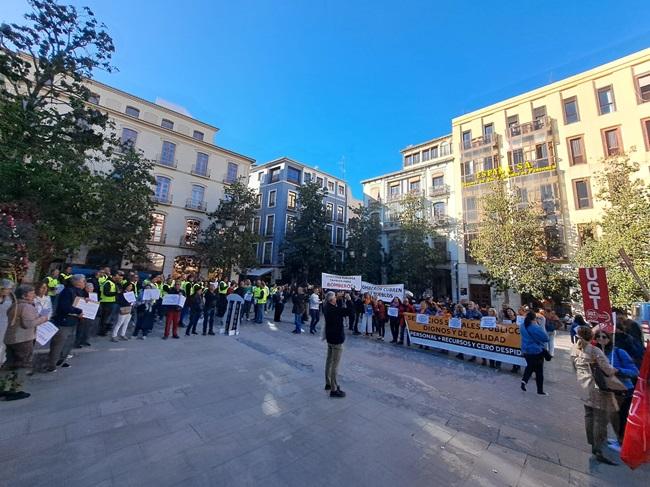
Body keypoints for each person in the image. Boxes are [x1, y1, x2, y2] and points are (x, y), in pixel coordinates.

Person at [571, 326, 620, 465]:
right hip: (597, 387)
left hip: (583, 385)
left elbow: (574, 367)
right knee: (600, 418)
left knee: (589, 415)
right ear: (592, 337)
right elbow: (607, 369)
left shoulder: (575, 349)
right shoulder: (595, 350)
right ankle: (598, 448)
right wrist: (615, 370)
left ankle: (592, 443)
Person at [593, 329, 639, 450]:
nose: (601, 339)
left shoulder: (619, 352)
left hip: (623, 391)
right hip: (607, 390)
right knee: (612, 417)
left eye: (604, 337)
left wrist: (618, 370)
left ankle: (623, 442)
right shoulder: (596, 353)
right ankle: (618, 439)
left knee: (621, 418)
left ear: (610, 338)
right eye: (598, 337)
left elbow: (634, 372)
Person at [2, 285, 49, 401]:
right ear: (24, 295)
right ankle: (15, 390)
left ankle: (3, 387)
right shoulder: (26, 307)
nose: (34, 295)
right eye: (31, 293)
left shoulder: (15, 305)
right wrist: (43, 319)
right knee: (22, 364)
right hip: (23, 339)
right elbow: (28, 324)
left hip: (11, 338)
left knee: (10, 363)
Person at [48, 274, 85, 371]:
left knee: (68, 343)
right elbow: (65, 307)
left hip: (74, 321)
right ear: (76, 282)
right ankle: (51, 365)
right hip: (64, 321)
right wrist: (78, 311)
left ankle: (61, 361)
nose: (84, 283)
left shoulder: (79, 292)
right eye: (82, 281)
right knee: (59, 343)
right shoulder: (68, 291)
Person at [323, 291, 347, 398]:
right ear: (332, 299)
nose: (336, 298)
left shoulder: (326, 307)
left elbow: (339, 309)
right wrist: (349, 300)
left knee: (329, 361)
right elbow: (350, 312)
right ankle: (334, 389)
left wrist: (340, 299)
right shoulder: (334, 310)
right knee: (335, 365)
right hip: (337, 340)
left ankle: (328, 383)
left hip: (330, 338)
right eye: (335, 297)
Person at [519, 311, 549, 395]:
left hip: (526, 350)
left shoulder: (522, 326)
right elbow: (546, 338)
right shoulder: (535, 327)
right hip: (536, 351)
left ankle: (524, 381)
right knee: (539, 371)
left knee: (530, 366)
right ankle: (540, 390)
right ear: (534, 319)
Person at [74, 281, 94, 348]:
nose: (92, 289)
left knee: (87, 328)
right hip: (83, 313)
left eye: (92, 288)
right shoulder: (83, 293)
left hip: (90, 314)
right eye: (90, 288)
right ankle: (78, 342)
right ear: (86, 288)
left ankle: (85, 340)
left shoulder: (93, 294)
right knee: (81, 329)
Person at [0, 280, 15, 367]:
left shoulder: (10, 298)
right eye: (8, 289)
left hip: (5, 323)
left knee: (2, 343)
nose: (9, 291)